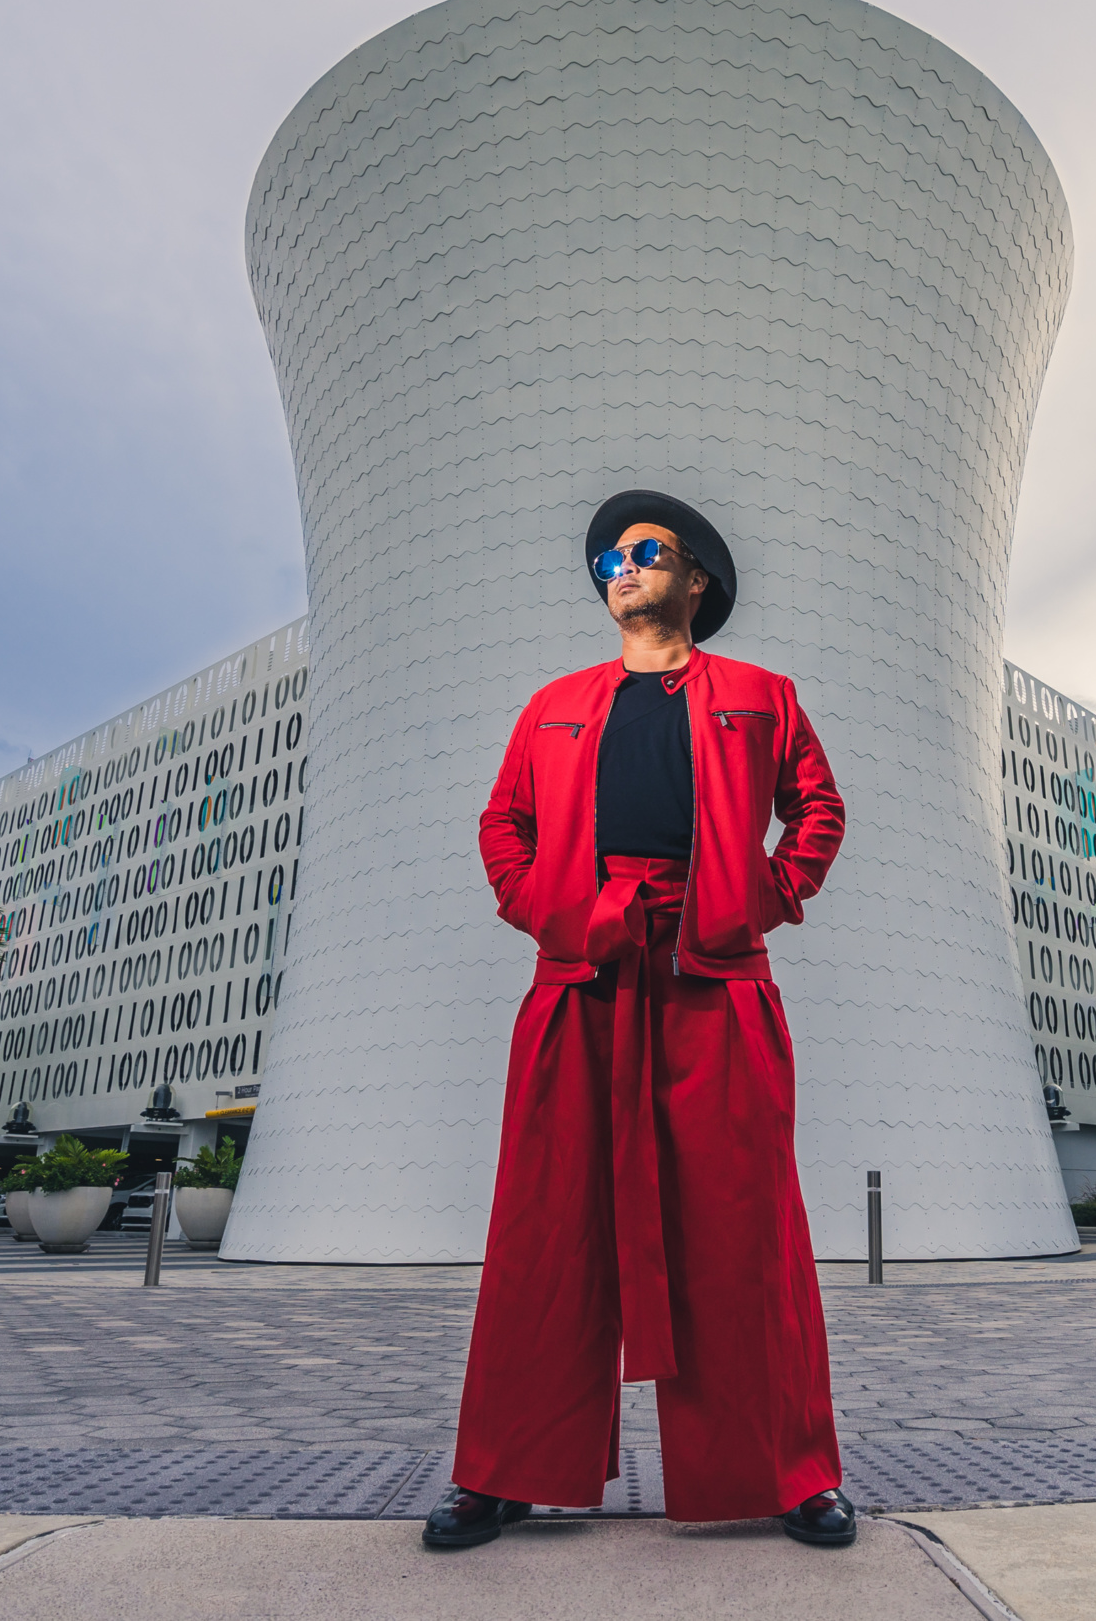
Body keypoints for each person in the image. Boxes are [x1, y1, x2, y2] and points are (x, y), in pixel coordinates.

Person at [423, 489, 854, 1550]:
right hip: (582, 971)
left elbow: (818, 808)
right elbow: (502, 825)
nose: (620, 567)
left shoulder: (762, 694)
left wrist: (764, 895)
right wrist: (547, 911)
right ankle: (502, 1473)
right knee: (545, 1226)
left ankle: (791, 1474)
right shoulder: (552, 704)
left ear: (694, 577)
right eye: (607, 557)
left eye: (644, 552)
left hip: (714, 970)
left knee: (745, 1228)